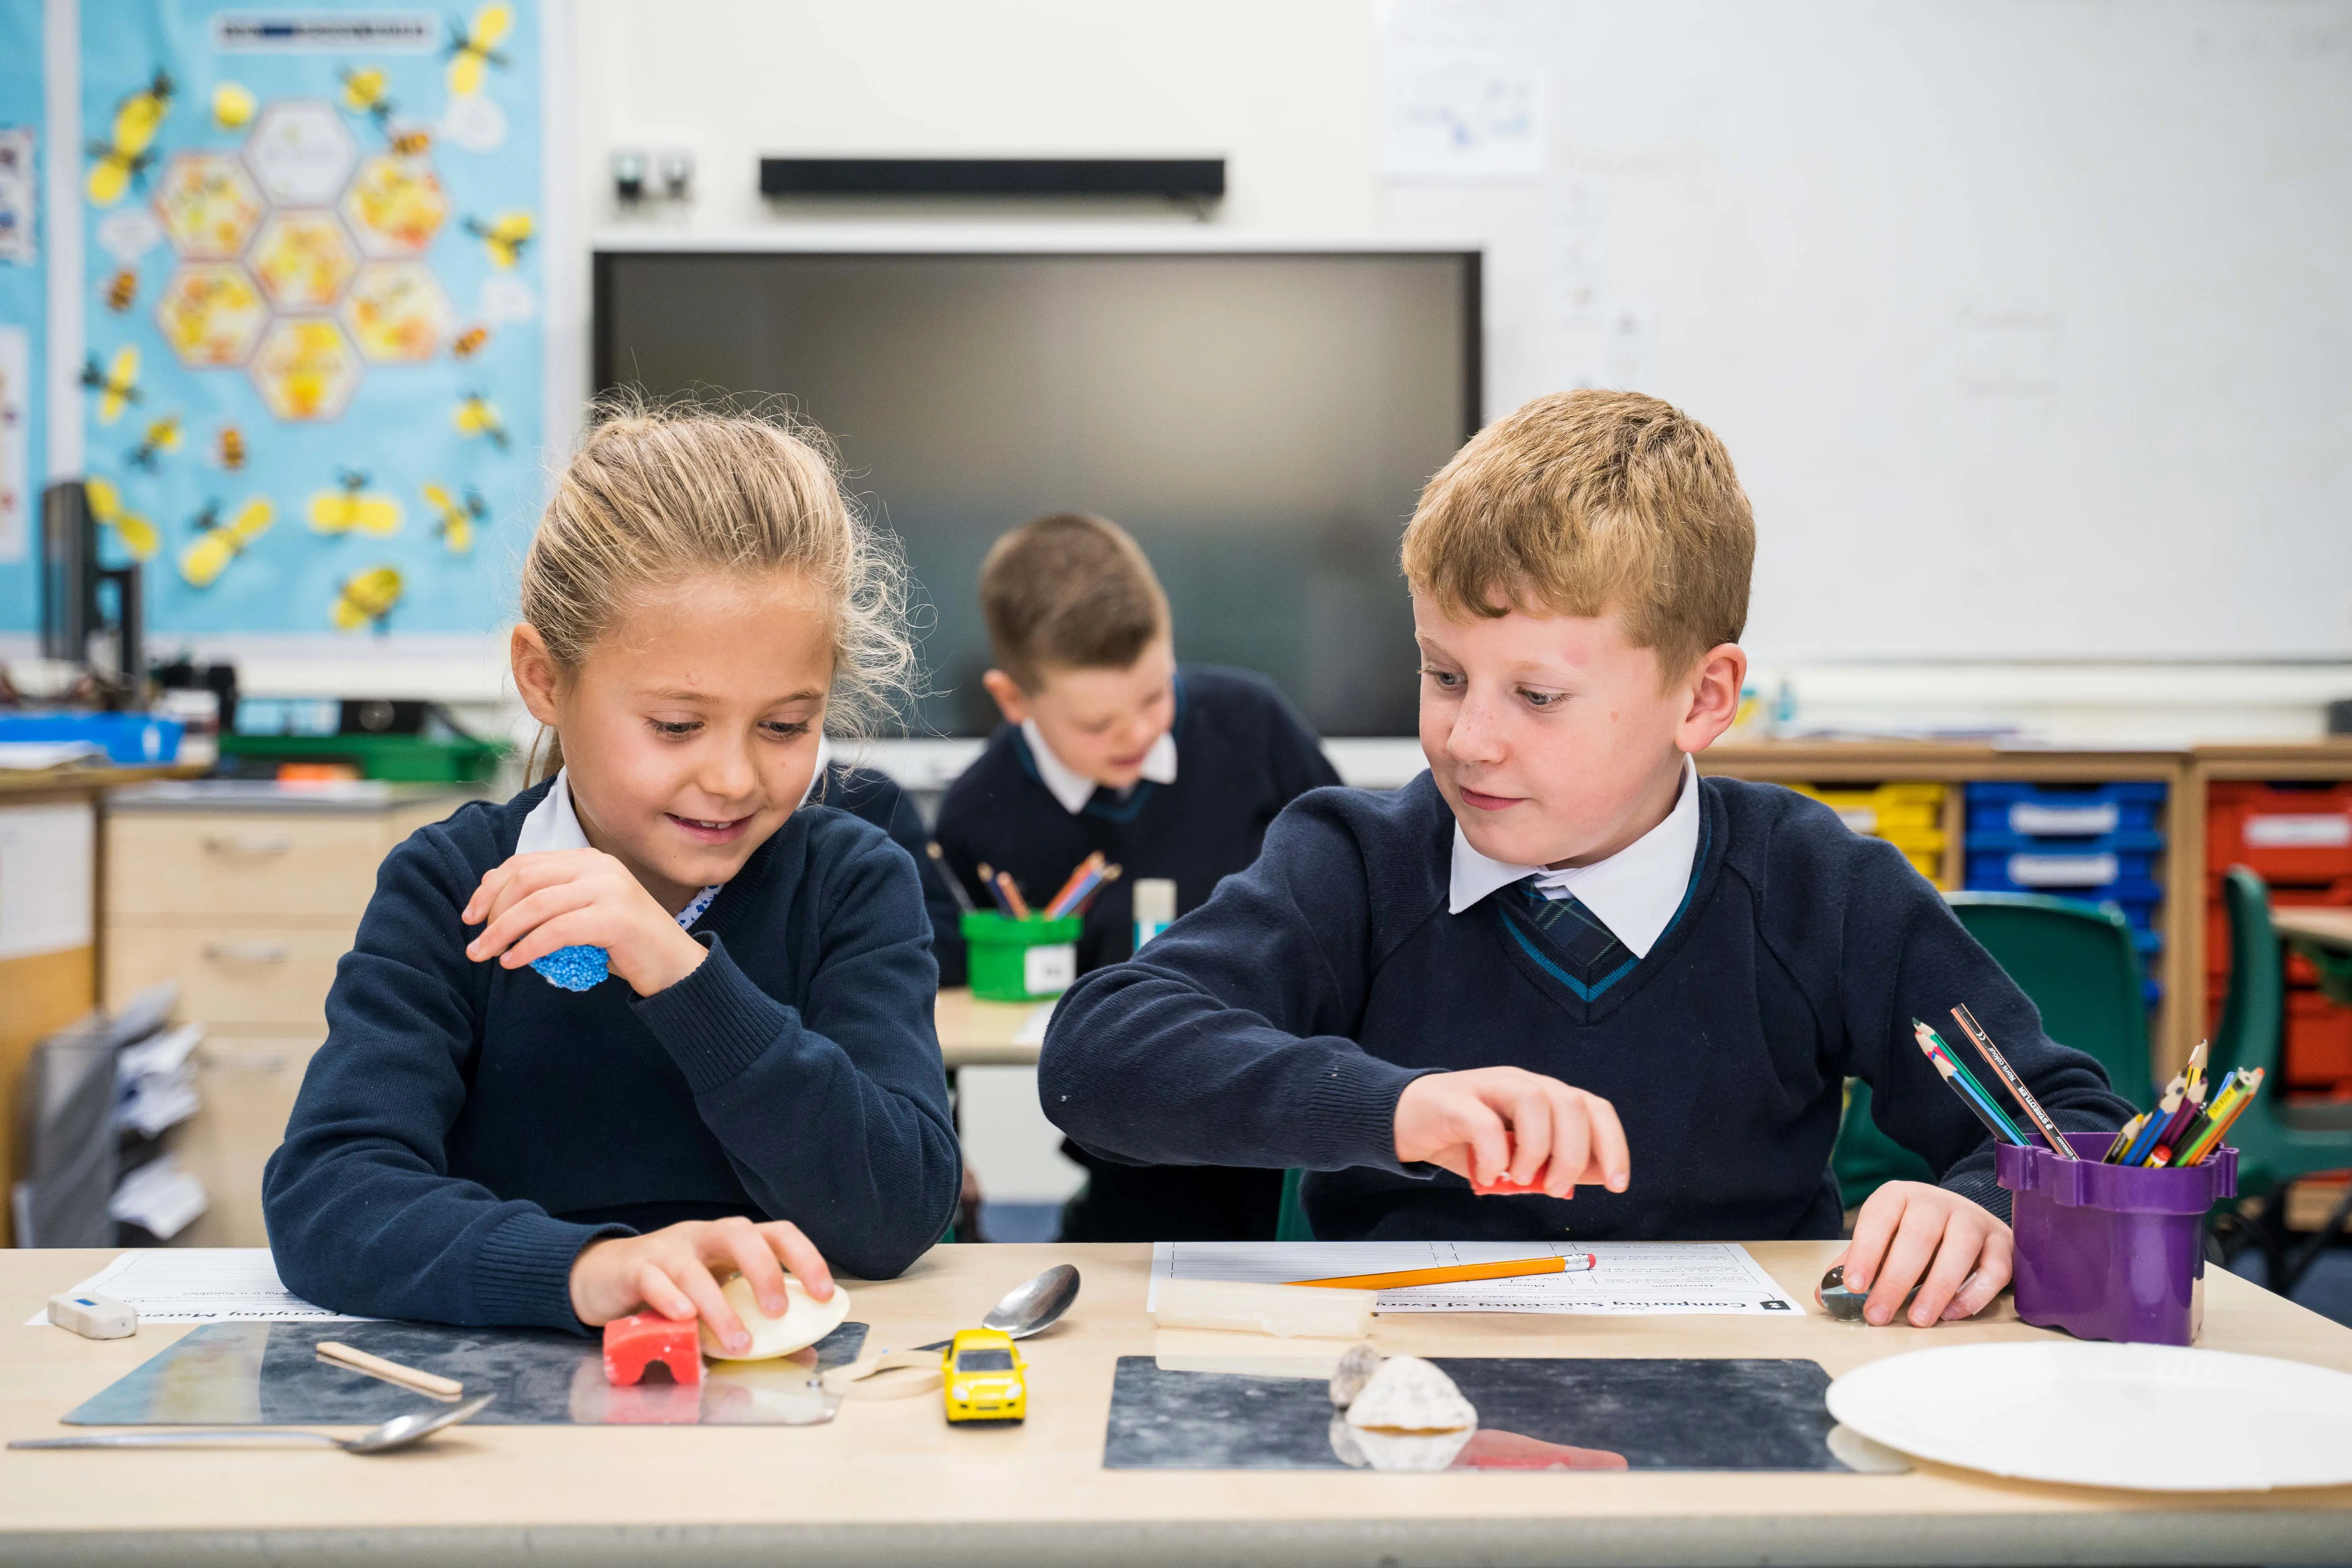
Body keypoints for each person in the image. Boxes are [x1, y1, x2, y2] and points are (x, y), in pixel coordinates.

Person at [1040, 390, 2133, 1327]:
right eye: (1441, 673)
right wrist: (1398, 1106)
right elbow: (1098, 1058)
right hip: (1407, 1417)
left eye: (1538, 695)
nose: (1468, 738)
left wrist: (1984, 1205)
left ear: (1701, 698)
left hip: (1736, 1415)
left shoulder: (1813, 887)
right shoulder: (1359, 864)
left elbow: (2071, 1120)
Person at [265, 404, 959, 1349]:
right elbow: (330, 1199)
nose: (734, 777)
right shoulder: (454, 883)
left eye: (787, 724)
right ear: (545, 678)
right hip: (507, 1404)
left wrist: (679, 971)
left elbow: (896, 1210)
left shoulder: (851, 882)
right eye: (677, 726)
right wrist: (589, 1270)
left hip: (794, 1406)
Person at [934, 511, 1341, 1242]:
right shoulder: (977, 815)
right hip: (1137, 1134)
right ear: (1012, 701)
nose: (1135, 733)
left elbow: (1351, 887)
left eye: (1155, 696)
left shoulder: (1252, 726)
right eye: (1096, 724)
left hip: (1289, 1118)